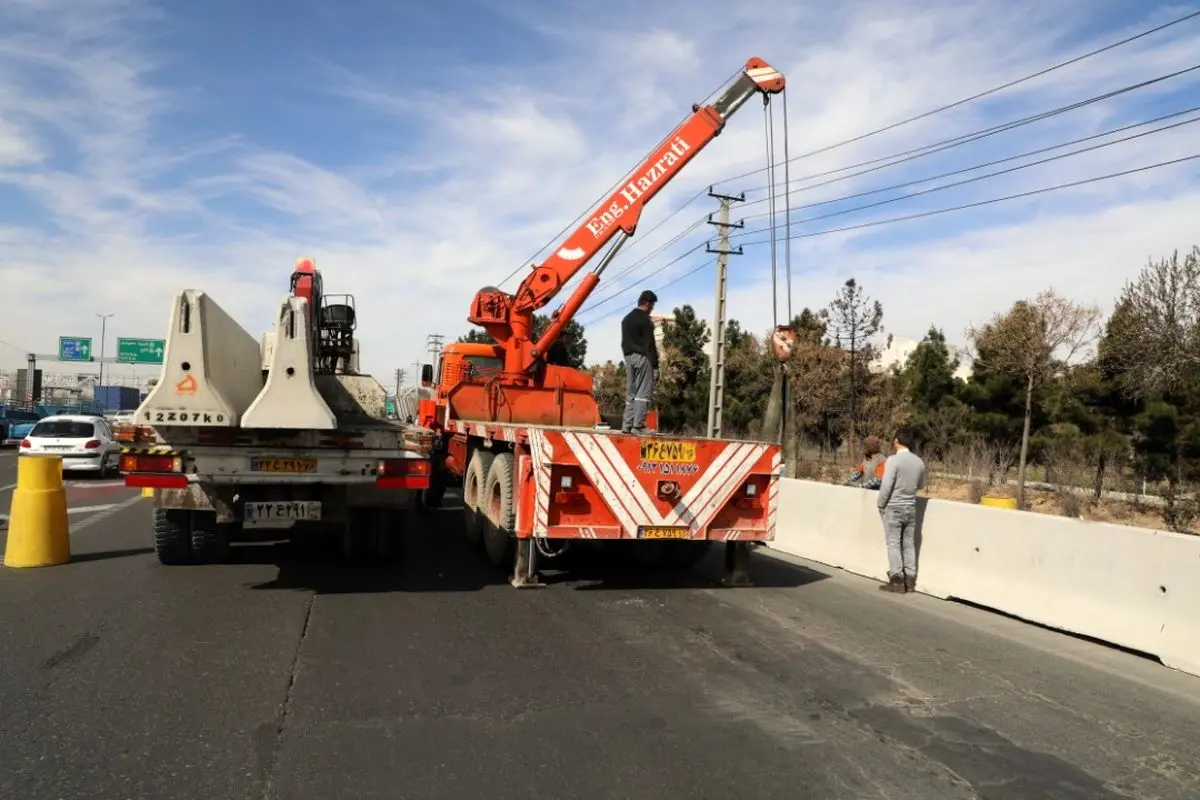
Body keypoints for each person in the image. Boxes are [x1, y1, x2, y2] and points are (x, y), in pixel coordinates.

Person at [876, 427, 926, 593]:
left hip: (894, 506)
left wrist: (881, 503)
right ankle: (910, 579)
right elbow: (920, 485)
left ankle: (897, 579)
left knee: (893, 543)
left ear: (896, 441)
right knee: (909, 544)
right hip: (910, 506)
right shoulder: (919, 462)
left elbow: (886, 485)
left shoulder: (893, 461)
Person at [620, 289, 659, 434]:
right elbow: (650, 344)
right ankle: (638, 426)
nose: (652, 308)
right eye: (652, 305)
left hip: (629, 357)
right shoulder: (645, 321)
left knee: (631, 392)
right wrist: (655, 365)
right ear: (647, 304)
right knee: (643, 391)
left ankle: (627, 425)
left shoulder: (626, 319)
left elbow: (624, 341)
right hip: (642, 357)